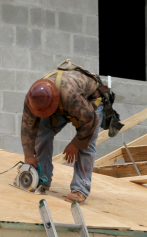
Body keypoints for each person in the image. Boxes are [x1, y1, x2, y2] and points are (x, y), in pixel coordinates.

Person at [21, 60, 120, 203]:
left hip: (90, 103)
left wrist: (76, 143)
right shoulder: (32, 97)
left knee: (86, 146)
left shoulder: (70, 97)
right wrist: (29, 156)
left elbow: (91, 121)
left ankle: (80, 188)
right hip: (64, 103)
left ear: (54, 102)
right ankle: (42, 179)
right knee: (42, 134)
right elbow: (27, 127)